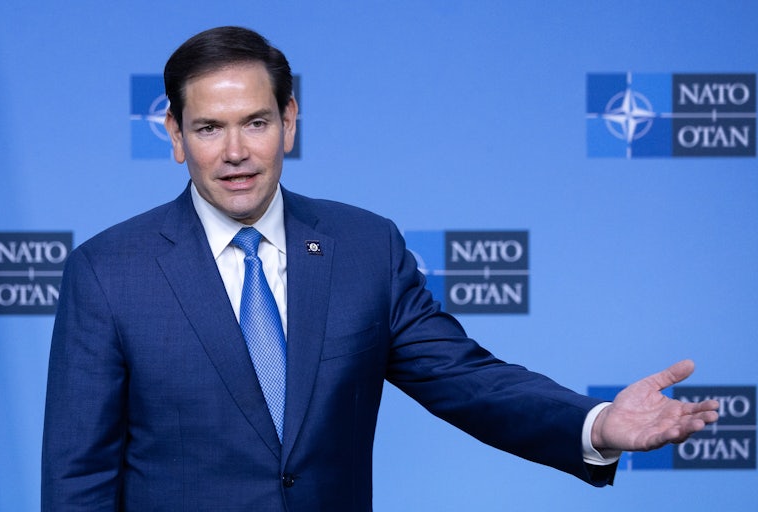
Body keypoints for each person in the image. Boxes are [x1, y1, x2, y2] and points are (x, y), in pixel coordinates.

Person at [41, 26, 719, 511]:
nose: (236, 152)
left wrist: (595, 425)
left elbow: (466, 379)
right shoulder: (108, 272)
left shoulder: (364, 246)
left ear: (290, 121)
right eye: (210, 128)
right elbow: (78, 478)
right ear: (176, 136)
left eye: (256, 122)